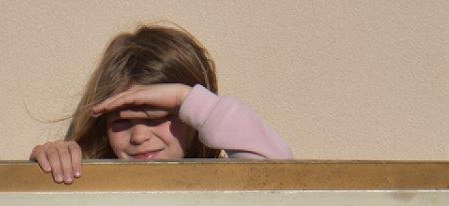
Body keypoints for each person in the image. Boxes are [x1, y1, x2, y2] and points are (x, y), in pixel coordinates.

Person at [30, 23, 292, 184]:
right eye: (121, 121)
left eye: (156, 116)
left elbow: (279, 176)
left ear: (191, 118)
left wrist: (185, 98)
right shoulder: (94, 186)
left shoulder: (224, 184)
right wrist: (49, 169)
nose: (139, 136)